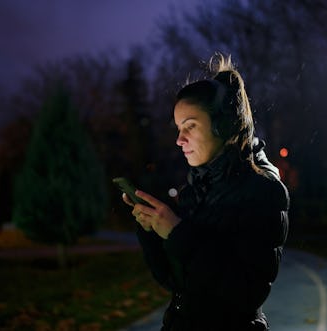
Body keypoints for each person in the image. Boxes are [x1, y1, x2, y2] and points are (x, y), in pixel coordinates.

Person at [121, 53, 289, 331]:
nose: (179, 139)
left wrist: (177, 233)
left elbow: (246, 294)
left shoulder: (265, 192)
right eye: (178, 128)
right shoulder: (194, 191)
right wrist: (151, 230)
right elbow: (176, 284)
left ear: (223, 125)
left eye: (190, 126)